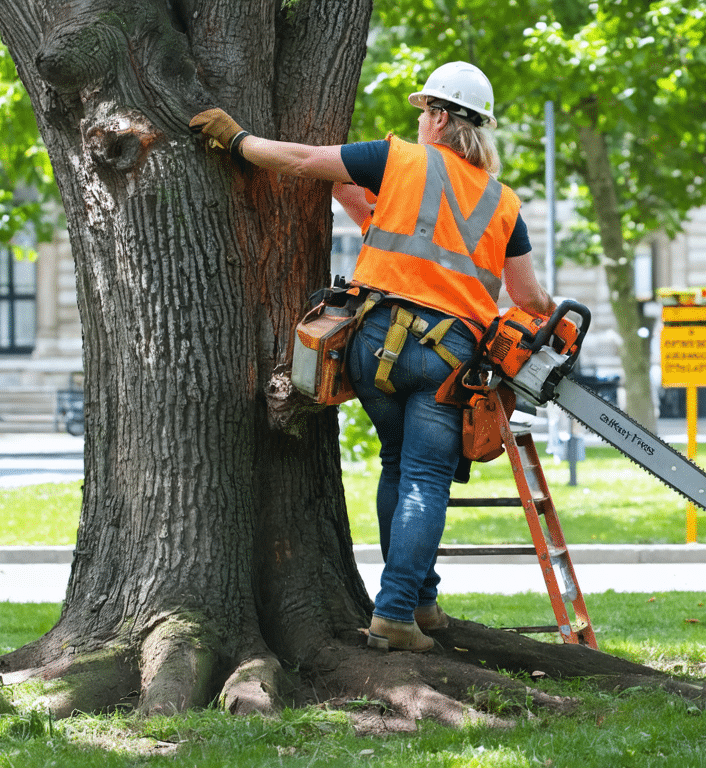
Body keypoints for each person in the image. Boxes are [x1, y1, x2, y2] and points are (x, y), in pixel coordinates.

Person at [190, 62, 557, 652]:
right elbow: (528, 298)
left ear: (438, 116)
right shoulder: (503, 203)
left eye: (423, 113)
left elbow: (313, 166)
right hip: (448, 360)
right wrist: (557, 316)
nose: (419, 122)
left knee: (398, 466)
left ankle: (420, 602)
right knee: (425, 479)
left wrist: (240, 142)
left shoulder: (399, 161)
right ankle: (395, 614)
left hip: (373, 341)